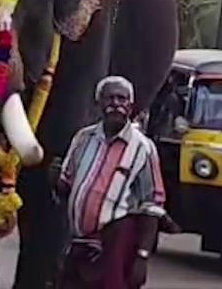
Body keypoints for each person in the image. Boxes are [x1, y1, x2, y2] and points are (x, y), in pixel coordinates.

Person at [56, 76, 165, 289]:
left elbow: (152, 207)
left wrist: (142, 257)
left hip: (115, 246)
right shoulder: (82, 138)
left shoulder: (143, 148)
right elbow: (66, 186)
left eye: (122, 99)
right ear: (98, 103)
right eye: (110, 98)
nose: (116, 104)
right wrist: (55, 179)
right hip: (79, 244)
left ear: (130, 105)